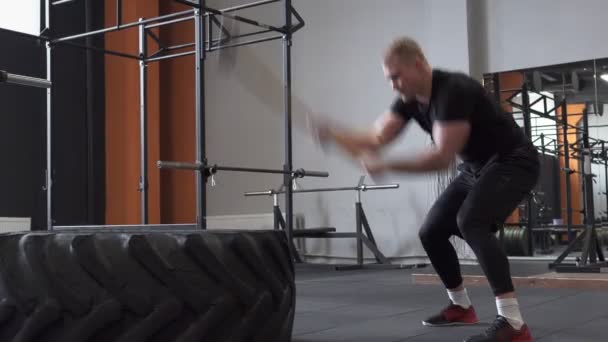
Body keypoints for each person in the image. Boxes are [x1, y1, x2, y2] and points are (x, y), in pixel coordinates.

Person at [310, 36, 539, 342]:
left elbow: (441, 157)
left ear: (417, 65)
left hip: (513, 161)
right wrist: (333, 135)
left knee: (471, 221)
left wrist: (387, 166)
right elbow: (376, 138)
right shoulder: (409, 100)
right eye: (389, 78)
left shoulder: (454, 91)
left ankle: (513, 323)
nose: (393, 84)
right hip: (475, 168)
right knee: (431, 231)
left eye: (396, 76)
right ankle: (461, 306)